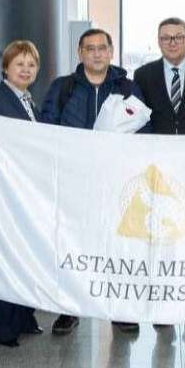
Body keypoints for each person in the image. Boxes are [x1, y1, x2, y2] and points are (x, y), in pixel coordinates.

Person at [40, 27, 145, 335]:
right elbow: (48, 128)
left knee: (119, 244)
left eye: (102, 48)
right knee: (71, 244)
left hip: (117, 181)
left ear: (111, 52)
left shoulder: (128, 88)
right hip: (75, 180)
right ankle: (69, 309)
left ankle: (121, 309)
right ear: (80, 53)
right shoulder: (63, 87)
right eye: (90, 48)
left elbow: (144, 130)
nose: (97, 53)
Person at [0, 40, 46, 346]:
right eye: (19, 64)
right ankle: (2, 328)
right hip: (4, 194)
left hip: (24, 193)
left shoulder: (29, 100)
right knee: (7, 257)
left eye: (31, 65)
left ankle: (24, 316)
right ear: (6, 67)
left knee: (25, 256)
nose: (26, 70)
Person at [133, 17, 185, 136]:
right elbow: (139, 118)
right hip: (157, 149)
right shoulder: (142, 75)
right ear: (159, 42)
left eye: (179, 37)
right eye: (166, 38)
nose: (172, 43)